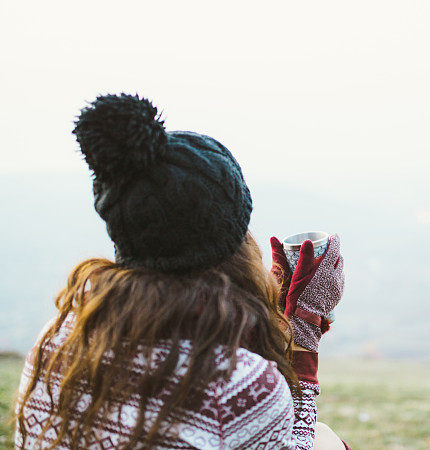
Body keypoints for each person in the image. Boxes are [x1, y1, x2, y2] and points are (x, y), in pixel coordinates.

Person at [13, 93, 347, 449]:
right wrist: (304, 330)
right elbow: (292, 440)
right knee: (325, 441)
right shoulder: (234, 387)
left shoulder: (58, 336)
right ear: (233, 245)